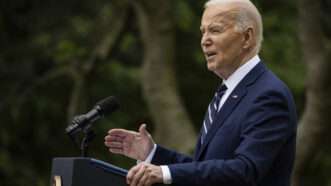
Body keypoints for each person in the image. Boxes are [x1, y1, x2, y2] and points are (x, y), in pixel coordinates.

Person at [104, 0, 297, 185]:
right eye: (203, 32)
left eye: (215, 30)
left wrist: (163, 173)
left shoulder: (268, 95)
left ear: (246, 37)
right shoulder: (227, 93)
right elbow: (204, 169)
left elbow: (244, 170)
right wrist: (153, 154)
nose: (205, 40)